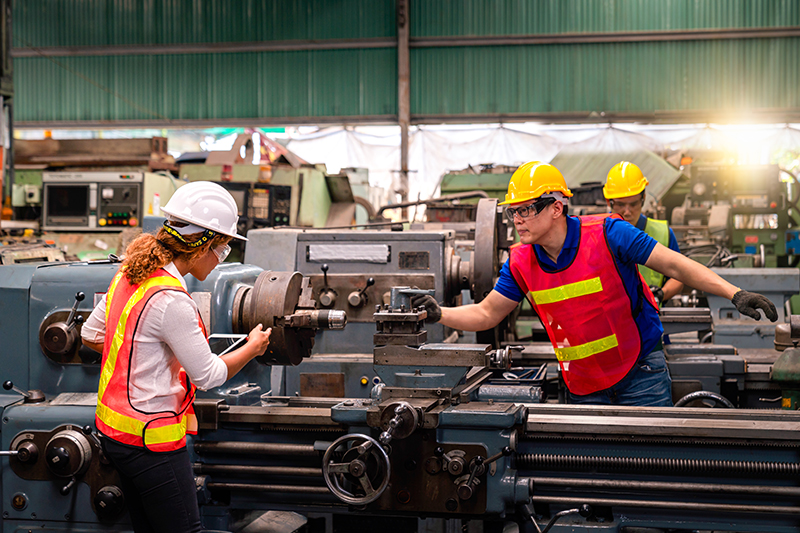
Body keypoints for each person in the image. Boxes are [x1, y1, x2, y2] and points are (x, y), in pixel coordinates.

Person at [413, 161, 777, 407]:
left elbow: (674, 264)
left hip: (640, 373)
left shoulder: (608, 232)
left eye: (526, 209)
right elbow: (487, 312)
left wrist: (735, 293)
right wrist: (439, 314)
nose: (517, 220)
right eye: (513, 211)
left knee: (651, 471)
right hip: (582, 385)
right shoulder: (521, 262)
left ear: (556, 207)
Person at [81, 181, 272, 533]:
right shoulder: (172, 301)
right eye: (223, 250)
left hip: (114, 434)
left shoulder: (129, 272)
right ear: (202, 247)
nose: (220, 261)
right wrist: (252, 346)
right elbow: (209, 375)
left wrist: (144, 359)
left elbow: (91, 334)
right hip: (151, 441)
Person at [604, 161, 683, 304]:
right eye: (620, 205)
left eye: (633, 204)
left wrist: (660, 295)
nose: (627, 212)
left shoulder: (663, 234)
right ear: (609, 202)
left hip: (651, 317)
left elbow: (679, 275)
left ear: (643, 198)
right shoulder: (597, 234)